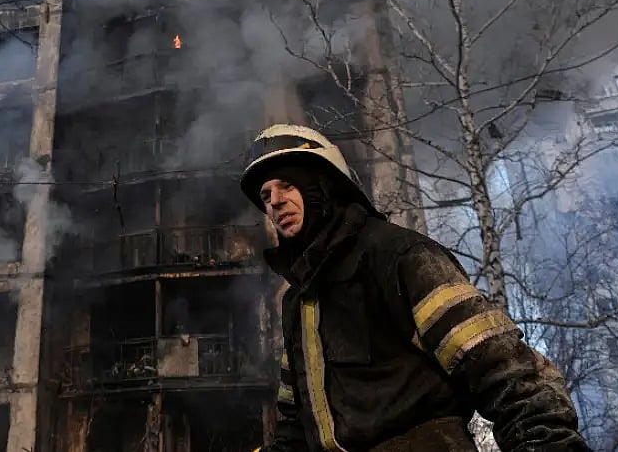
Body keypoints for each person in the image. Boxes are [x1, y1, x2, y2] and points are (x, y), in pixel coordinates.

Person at [241, 124, 590, 451]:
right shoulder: (298, 302)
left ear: (322, 186)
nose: (274, 201)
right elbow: (293, 426)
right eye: (266, 194)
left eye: (287, 185)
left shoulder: (398, 256)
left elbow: (501, 366)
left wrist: (547, 442)